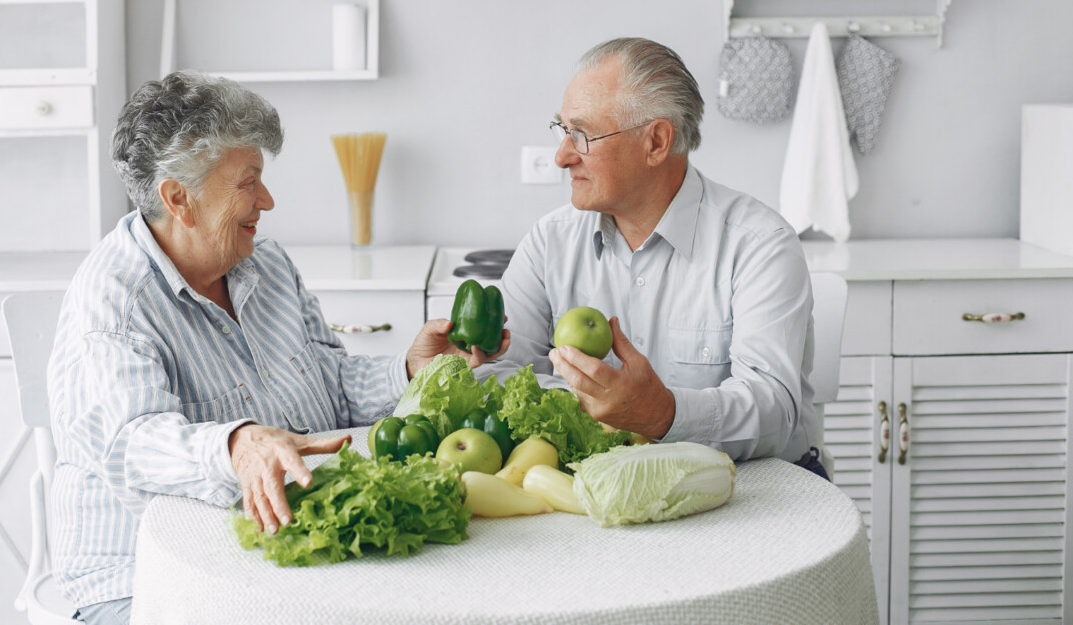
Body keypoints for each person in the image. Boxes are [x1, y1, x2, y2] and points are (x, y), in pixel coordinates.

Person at [47, 70, 505, 625]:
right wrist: (236, 444)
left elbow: (327, 382)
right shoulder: (114, 302)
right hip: (143, 583)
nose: (267, 199)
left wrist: (409, 371)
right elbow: (131, 445)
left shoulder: (267, 265)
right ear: (179, 198)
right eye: (248, 181)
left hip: (270, 561)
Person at [483, 37, 824, 478]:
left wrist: (662, 413)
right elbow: (501, 376)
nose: (562, 156)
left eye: (582, 135)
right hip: (602, 489)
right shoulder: (549, 242)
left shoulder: (761, 245)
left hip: (759, 492)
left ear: (657, 142)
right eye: (562, 129)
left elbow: (775, 414)